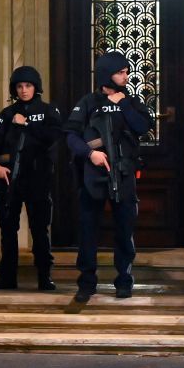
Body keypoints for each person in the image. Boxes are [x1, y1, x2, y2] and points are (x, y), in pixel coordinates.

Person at [64, 51, 154, 302]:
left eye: (126, 72)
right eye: (120, 72)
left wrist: (123, 104)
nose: (126, 76)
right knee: (88, 229)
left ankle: (124, 281)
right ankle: (87, 282)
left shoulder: (130, 101)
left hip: (123, 175)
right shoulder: (88, 102)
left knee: (124, 230)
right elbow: (71, 135)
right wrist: (89, 153)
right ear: (107, 74)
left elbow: (143, 127)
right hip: (93, 175)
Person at [0, 66, 62, 291]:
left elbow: (53, 136)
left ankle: (44, 276)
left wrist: (26, 124)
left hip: (38, 178)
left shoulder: (48, 111)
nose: (24, 90)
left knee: (39, 229)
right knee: (8, 229)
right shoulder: (7, 114)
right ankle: (7, 277)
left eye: (28, 86)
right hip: (10, 179)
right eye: (19, 86)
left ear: (35, 87)